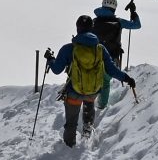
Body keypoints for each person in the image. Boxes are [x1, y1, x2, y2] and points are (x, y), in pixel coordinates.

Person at [47, 15, 137, 148]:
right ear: (92, 28)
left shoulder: (69, 48)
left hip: (74, 91)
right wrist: (127, 78)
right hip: (93, 91)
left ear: (77, 28)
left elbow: (56, 69)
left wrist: (50, 59)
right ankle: (87, 135)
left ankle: (68, 147)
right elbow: (112, 69)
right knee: (88, 108)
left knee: (71, 123)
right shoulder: (100, 49)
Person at [90, 0, 142, 110]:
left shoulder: (93, 22)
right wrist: (133, 12)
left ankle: (88, 104)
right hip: (111, 58)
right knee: (105, 82)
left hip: (93, 58)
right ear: (114, 8)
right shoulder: (119, 22)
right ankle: (101, 107)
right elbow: (137, 25)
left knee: (92, 80)